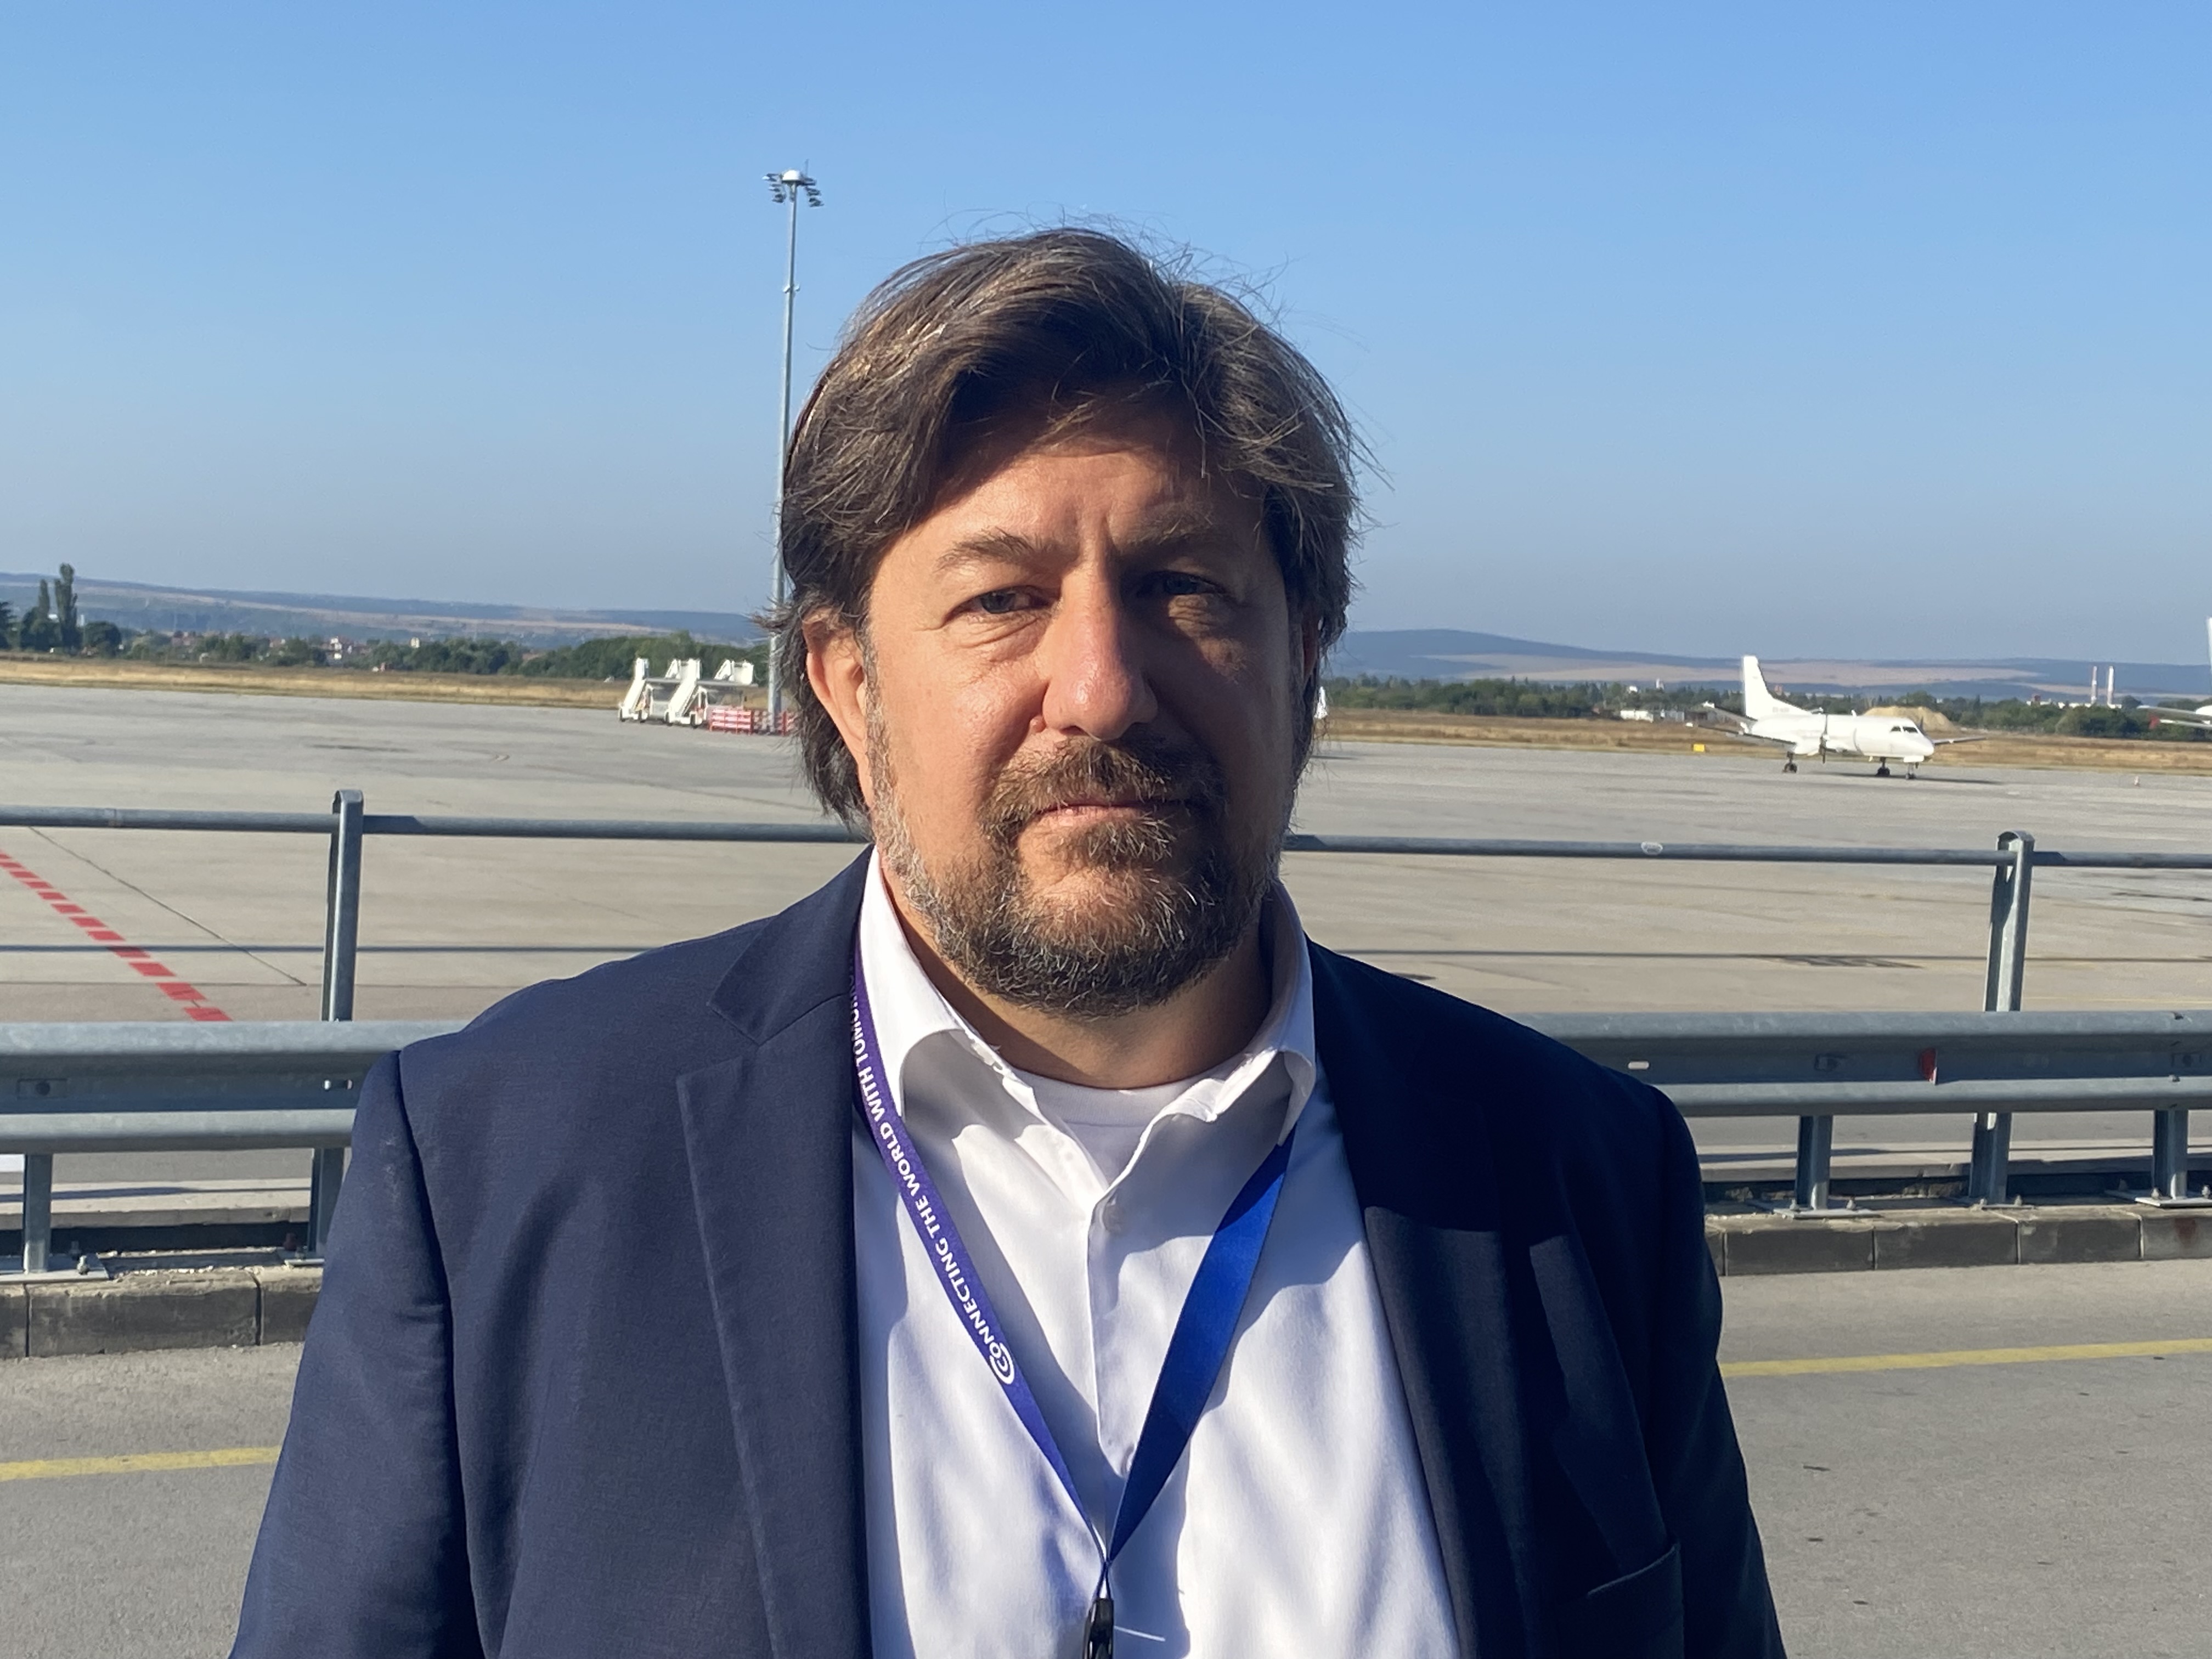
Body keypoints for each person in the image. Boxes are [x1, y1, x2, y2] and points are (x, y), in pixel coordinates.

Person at [232, 229, 1782, 1659]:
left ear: (1304, 658)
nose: (1102, 687)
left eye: (1184, 587)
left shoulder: (1581, 1184)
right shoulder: (501, 1171)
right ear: (848, 686)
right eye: (1000, 598)